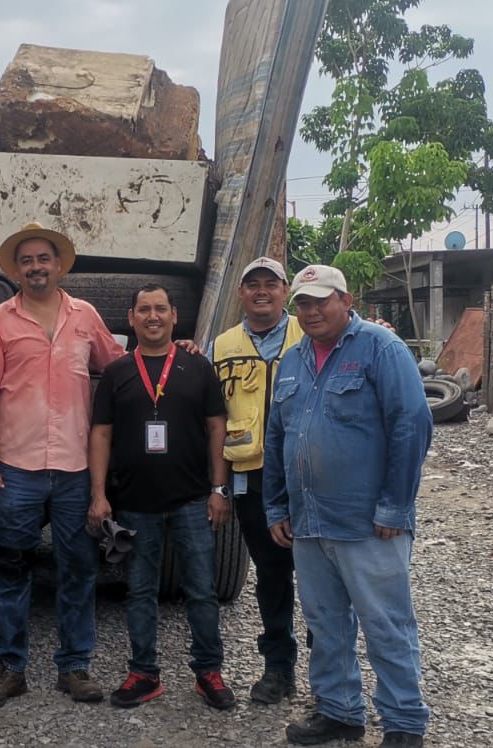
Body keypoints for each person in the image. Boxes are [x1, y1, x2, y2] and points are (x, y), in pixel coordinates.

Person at [264, 265, 432, 747]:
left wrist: (395, 509)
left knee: (386, 623)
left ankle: (403, 722)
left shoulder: (381, 348)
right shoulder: (291, 360)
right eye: (302, 302)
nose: (311, 310)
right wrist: (276, 505)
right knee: (325, 622)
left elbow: (411, 424)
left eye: (321, 300)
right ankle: (339, 710)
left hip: (368, 524)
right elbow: (278, 436)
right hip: (309, 522)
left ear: (346, 298)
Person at [0, 222, 124, 710]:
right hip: (17, 467)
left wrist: (170, 354)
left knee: (77, 567)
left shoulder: (85, 316)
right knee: (11, 567)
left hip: (76, 469)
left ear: (59, 265)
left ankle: (74, 666)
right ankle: (10, 668)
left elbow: (118, 366)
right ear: (17, 269)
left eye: (44, 259)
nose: (36, 267)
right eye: (27, 260)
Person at [88, 284, 235, 710]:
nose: (152, 317)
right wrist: (98, 494)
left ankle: (209, 672)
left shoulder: (196, 366)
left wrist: (218, 489)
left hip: (192, 499)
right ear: (131, 318)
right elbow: (101, 434)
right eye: (144, 310)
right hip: (134, 502)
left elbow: (216, 428)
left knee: (202, 591)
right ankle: (143, 674)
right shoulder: (117, 372)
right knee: (140, 592)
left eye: (160, 309)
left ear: (174, 316)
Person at [207, 256, 309, 703]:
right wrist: (218, 484)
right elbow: (212, 419)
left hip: (310, 475)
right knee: (271, 574)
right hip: (253, 478)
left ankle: (327, 668)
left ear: (285, 292)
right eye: (253, 284)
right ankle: (279, 668)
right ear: (241, 293)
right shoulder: (221, 346)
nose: (262, 291)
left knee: (322, 575)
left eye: (272, 283)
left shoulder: (310, 333)